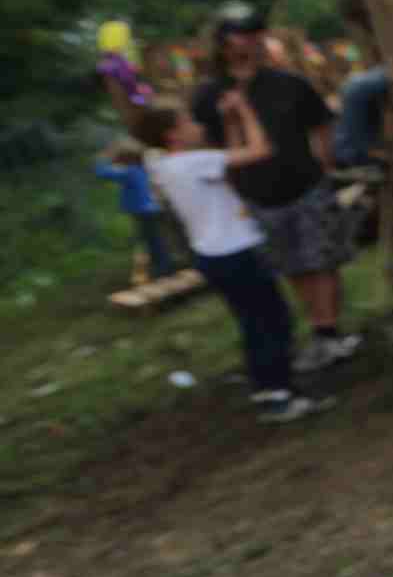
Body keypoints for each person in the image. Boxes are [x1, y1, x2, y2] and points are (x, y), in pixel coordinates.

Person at [131, 98, 331, 424]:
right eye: (188, 121)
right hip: (236, 252)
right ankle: (276, 395)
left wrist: (231, 123)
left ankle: (274, 388)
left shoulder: (167, 166)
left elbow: (232, 158)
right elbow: (260, 150)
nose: (198, 126)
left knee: (255, 323)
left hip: (214, 256)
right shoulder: (194, 162)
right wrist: (245, 109)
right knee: (271, 321)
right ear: (173, 135)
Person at [192, 6, 361, 372]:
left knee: (321, 259)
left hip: (306, 184)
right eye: (242, 33)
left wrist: (324, 166)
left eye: (257, 32)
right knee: (291, 265)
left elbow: (320, 125)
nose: (252, 40)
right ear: (222, 42)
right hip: (255, 194)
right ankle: (319, 327)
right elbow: (208, 148)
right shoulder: (208, 96)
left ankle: (329, 331)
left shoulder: (290, 84)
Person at [94, 139, 179, 280]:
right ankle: (164, 266)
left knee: (152, 241)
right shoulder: (141, 169)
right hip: (152, 209)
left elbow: (102, 172)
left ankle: (164, 268)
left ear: (125, 159)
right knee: (155, 239)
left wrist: (104, 157)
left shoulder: (130, 172)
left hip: (144, 211)